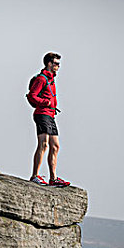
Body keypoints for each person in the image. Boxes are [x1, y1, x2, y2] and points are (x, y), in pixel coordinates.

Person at [27, 52, 70, 187]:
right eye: (56, 63)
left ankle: (53, 178)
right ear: (49, 64)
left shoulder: (51, 79)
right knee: (44, 144)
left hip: (50, 116)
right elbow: (32, 96)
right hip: (42, 114)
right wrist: (46, 102)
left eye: (59, 64)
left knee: (55, 146)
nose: (58, 66)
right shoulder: (41, 79)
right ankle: (35, 176)